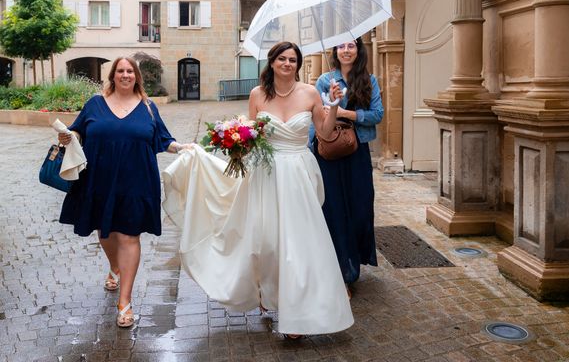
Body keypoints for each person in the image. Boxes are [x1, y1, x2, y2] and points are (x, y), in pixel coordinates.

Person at [162, 41, 354, 338]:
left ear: (298, 65)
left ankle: (299, 316)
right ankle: (266, 291)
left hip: (299, 173)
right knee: (267, 240)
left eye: (293, 59)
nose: (288, 64)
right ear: (272, 63)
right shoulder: (257, 95)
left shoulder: (311, 93)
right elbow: (249, 136)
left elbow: (326, 134)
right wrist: (233, 143)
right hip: (265, 173)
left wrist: (333, 107)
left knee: (299, 243)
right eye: (282, 59)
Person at [57, 56, 191, 328]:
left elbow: (163, 140)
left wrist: (184, 147)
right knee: (105, 232)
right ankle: (115, 266)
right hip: (99, 179)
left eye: (130, 71)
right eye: (121, 71)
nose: (126, 75)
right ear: (113, 76)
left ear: (137, 76)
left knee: (129, 235)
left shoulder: (148, 107)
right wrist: (68, 136)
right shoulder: (95, 104)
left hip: (137, 181)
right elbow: (78, 131)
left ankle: (125, 302)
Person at [309, 37, 384, 297]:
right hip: (329, 154)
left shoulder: (369, 81)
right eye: (341, 46)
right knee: (335, 211)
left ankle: (354, 262)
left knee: (360, 209)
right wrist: (311, 149)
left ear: (358, 50)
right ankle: (343, 274)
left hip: (357, 152)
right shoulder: (324, 81)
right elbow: (317, 119)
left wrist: (346, 113)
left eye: (351, 45)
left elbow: (377, 115)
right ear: (335, 51)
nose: (346, 50)